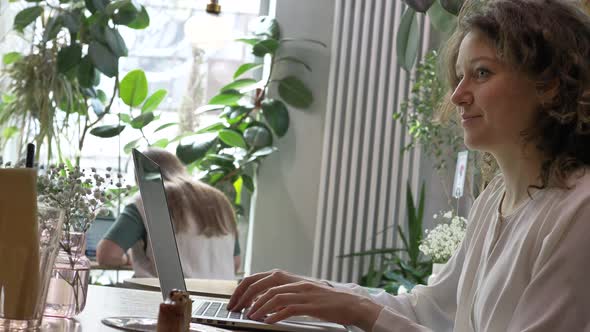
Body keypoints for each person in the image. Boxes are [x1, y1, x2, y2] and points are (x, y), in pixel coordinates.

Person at [226, 0, 590, 330]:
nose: (458, 95)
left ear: (550, 86)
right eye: (460, 76)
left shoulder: (579, 210)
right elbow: (426, 310)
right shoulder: (495, 198)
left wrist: (361, 312)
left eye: (481, 73)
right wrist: (318, 294)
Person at [97, 148, 241, 279]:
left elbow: (107, 255)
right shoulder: (220, 200)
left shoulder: (148, 198)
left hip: (169, 301)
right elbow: (235, 262)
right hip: (221, 300)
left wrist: (126, 259)